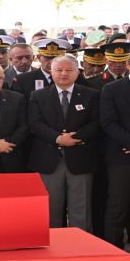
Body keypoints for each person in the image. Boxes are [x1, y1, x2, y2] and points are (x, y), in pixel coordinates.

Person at [27, 55, 99, 232]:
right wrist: (58, 138)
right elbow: (35, 123)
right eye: (59, 70)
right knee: (51, 210)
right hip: (49, 160)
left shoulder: (91, 94)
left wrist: (75, 137)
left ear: (77, 72)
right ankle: (54, 252)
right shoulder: (38, 95)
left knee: (81, 210)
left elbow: (96, 122)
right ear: (51, 72)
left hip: (80, 159)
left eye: (69, 70)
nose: (64, 74)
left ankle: (82, 249)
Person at [99, 42, 130, 249]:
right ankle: (114, 252)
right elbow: (108, 122)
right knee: (118, 207)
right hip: (121, 158)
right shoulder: (112, 88)